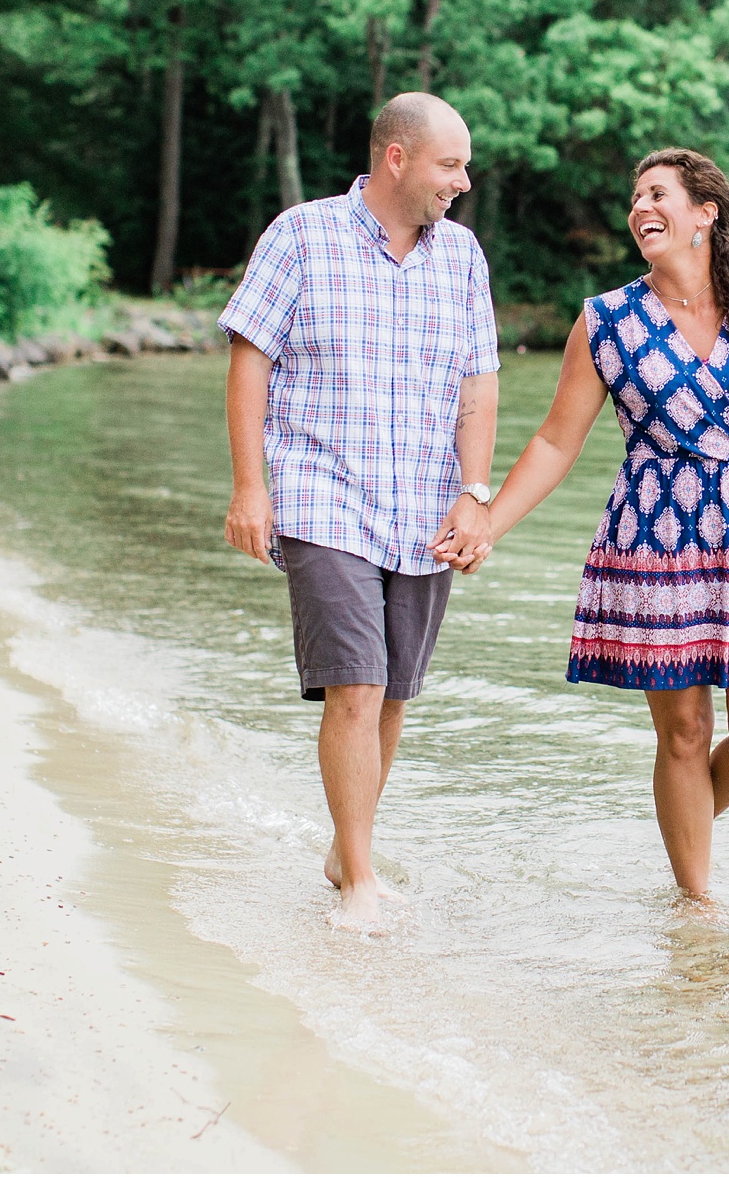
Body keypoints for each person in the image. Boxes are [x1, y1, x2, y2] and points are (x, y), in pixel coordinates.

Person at [439, 147, 729, 900]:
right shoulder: (606, 320)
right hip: (655, 539)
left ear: (705, 213)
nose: (639, 208)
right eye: (634, 197)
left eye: (657, 194)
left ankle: (681, 829)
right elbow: (557, 440)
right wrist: (489, 518)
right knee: (682, 735)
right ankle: (697, 907)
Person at [220, 92, 500, 934]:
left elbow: (478, 382)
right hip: (321, 490)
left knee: (393, 697)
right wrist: (249, 485)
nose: (464, 181)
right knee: (358, 681)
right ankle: (360, 883)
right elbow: (248, 361)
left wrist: (474, 491)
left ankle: (349, 848)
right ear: (397, 158)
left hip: (421, 505)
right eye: (452, 164)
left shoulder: (462, 256)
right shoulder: (300, 235)